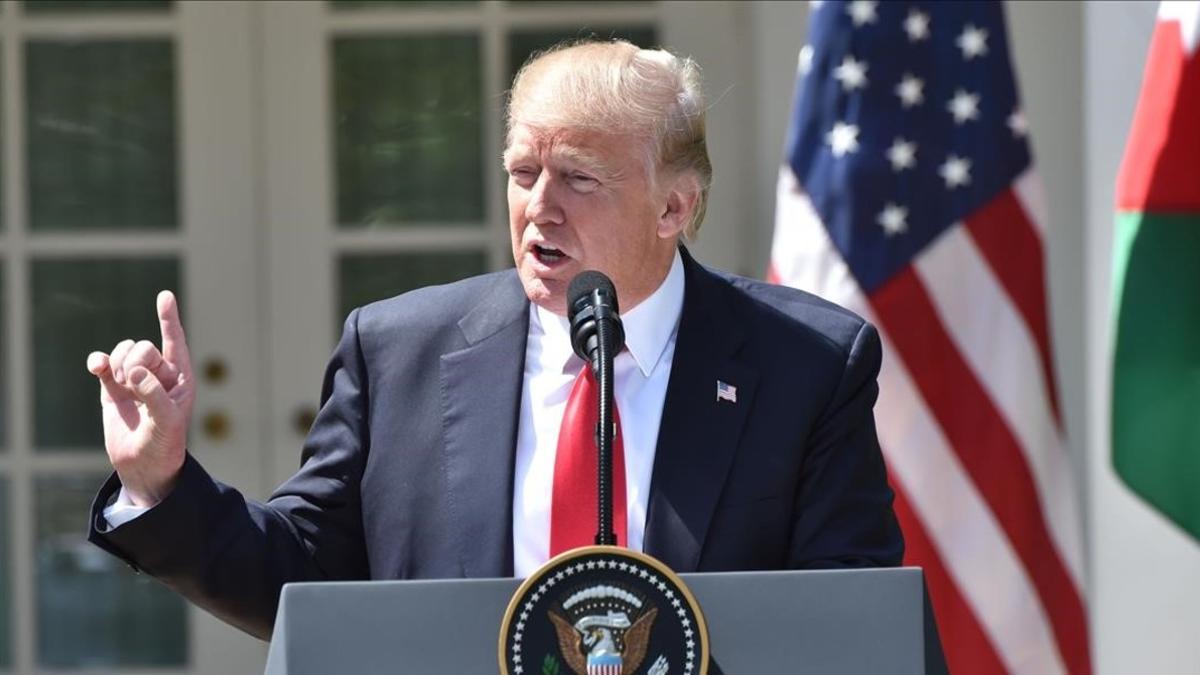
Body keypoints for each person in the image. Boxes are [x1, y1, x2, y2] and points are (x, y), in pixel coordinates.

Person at [86, 40, 903, 640]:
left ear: (672, 208)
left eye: (579, 177)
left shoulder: (809, 365)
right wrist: (162, 483)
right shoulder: (398, 350)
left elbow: (848, 620)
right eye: (522, 173)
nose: (539, 206)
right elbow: (302, 577)